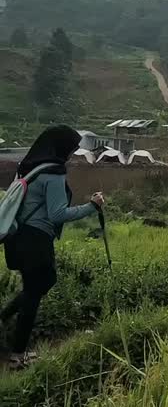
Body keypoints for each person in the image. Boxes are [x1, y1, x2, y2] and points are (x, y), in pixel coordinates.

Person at [0, 125, 104, 370]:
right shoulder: (54, 173)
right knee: (34, 293)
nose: (72, 153)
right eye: (71, 148)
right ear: (61, 147)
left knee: (41, 283)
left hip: (18, 238)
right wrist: (92, 206)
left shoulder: (30, 168)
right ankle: (17, 355)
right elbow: (57, 214)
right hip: (36, 240)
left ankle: (3, 319)